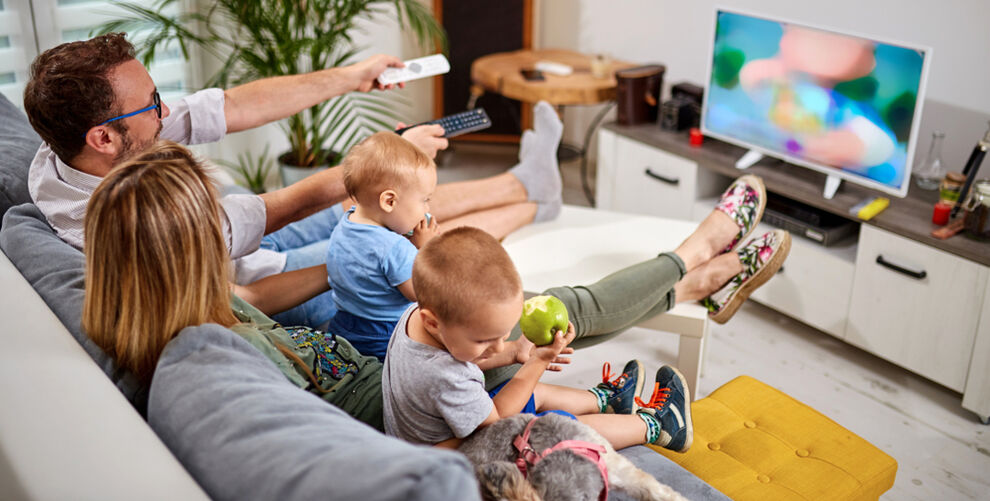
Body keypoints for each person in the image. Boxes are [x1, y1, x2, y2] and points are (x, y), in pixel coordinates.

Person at [81, 141, 790, 434]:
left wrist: (344, 262)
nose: (228, 230)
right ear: (180, 255)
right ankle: (702, 259)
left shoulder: (180, 311)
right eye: (212, 222)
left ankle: (700, 271)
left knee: (541, 309)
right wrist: (448, 341)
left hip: (397, 353)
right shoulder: (208, 358)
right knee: (556, 310)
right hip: (411, 386)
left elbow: (255, 299)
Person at [23, 33, 564, 328]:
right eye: (152, 105)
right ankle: (535, 204)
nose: (166, 112)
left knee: (389, 205)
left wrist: (350, 78)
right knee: (398, 226)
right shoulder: (137, 222)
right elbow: (274, 214)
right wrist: (376, 174)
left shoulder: (63, 155)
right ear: (103, 138)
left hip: (246, 245)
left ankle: (525, 182)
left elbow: (230, 106)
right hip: (265, 281)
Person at [382, 226, 695, 453]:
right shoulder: (445, 376)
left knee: (523, 389)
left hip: (437, 437)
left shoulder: (416, 315)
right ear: (433, 321)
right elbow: (498, 422)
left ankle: (606, 401)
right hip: (462, 462)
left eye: (504, 334)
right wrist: (537, 362)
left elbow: (474, 362)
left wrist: (514, 353)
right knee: (553, 428)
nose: (497, 346)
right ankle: (659, 427)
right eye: (485, 340)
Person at [324, 131, 440, 359]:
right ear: (389, 201)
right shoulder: (395, 247)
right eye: (424, 200)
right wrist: (425, 250)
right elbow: (419, 294)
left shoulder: (345, 224)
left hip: (343, 325)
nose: (427, 209)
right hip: (385, 336)